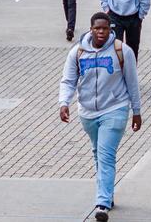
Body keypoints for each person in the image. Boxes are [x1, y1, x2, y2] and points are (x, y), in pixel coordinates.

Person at [58, 12, 143, 222]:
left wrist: (137, 111)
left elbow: (132, 82)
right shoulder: (77, 53)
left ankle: (102, 203)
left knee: (105, 154)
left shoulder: (122, 51)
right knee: (98, 153)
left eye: (105, 28)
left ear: (110, 29)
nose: (101, 32)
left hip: (115, 108)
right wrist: (64, 102)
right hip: (87, 112)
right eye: (97, 28)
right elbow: (68, 81)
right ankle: (108, 194)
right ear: (91, 29)